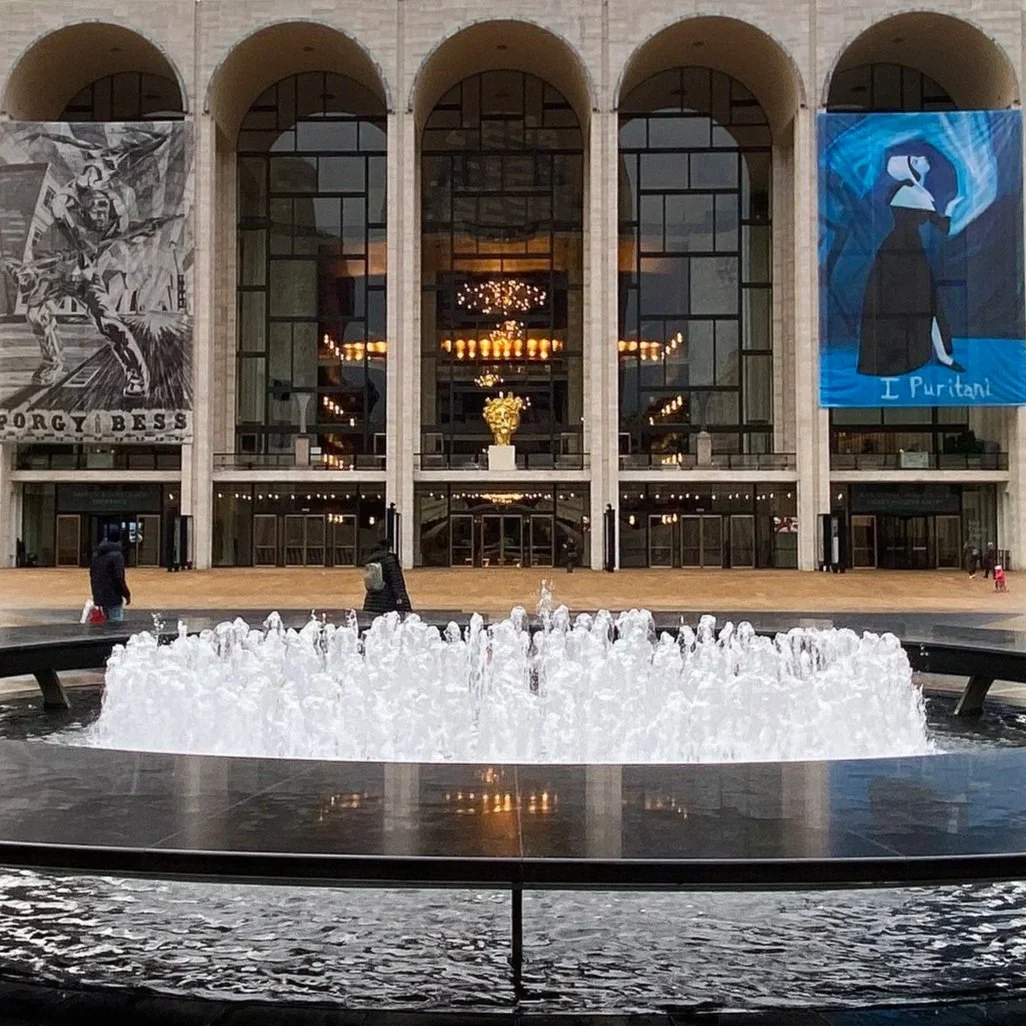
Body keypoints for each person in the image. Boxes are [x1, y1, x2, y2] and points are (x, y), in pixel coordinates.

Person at [858, 153, 964, 377]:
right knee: (915, 303)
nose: (922, 158)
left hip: (909, 252)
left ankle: (943, 354)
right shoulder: (905, 193)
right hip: (899, 253)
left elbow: (940, 225)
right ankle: (931, 355)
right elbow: (938, 222)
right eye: (915, 161)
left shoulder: (917, 193)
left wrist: (952, 208)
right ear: (910, 171)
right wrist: (950, 209)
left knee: (928, 301)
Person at [89, 525, 131, 622]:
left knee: (106, 625)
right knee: (116, 624)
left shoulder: (97, 554)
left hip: (100, 596)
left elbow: (92, 574)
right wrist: (126, 594)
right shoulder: (117, 556)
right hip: (114, 597)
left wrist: (96, 594)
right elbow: (119, 577)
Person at [362, 546, 412, 616]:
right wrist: (406, 609)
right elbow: (397, 585)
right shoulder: (390, 561)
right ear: (390, 549)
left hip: (370, 604)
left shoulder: (372, 561)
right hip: (387, 604)